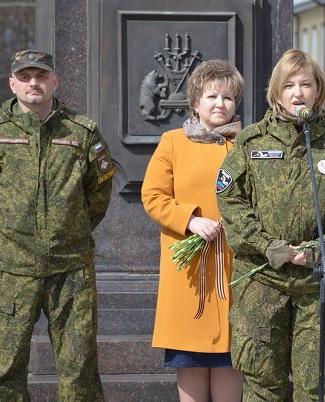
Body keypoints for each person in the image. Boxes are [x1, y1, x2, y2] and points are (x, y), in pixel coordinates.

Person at [216, 49, 325, 401]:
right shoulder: (251, 142)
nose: (298, 93)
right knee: (262, 385)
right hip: (263, 280)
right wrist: (268, 246)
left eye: (306, 84)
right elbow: (230, 200)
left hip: (319, 281)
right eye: (289, 85)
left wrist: (323, 247)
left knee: (317, 386)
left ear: (318, 91)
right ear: (277, 91)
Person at [0, 49, 113, 401]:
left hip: (70, 268)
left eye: (41, 76)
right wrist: (5, 234)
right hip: (11, 270)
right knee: (7, 370)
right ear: (12, 84)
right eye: (25, 77)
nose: (33, 83)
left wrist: (69, 229)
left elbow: (100, 191)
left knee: (80, 371)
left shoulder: (82, 131)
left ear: (54, 81)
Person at [141, 59, 244, 402]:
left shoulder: (246, 145)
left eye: (228, 98)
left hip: (233, 267)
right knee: (191, 357)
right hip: (189, 271)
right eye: (212, 96)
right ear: (196, 101)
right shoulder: (173, 141)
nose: (220, 104)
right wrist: (190, 220)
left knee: (231, 356)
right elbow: (153, 195)